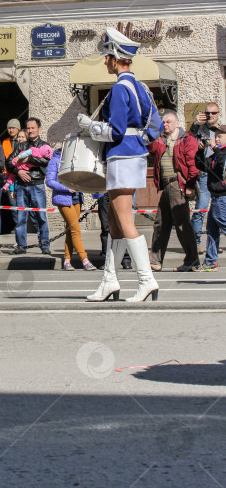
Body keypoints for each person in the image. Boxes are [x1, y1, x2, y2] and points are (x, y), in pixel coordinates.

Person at [78, 27, 163, 302]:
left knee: (124, 218)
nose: (105, 62)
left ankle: (146, 279)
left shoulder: (118, 89)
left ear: (116, 57)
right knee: (114, 219)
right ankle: (110, 281)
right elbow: (157, 126)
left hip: (121, 155)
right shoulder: (142, 88)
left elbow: (114, 131)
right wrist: (139, 139)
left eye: (107, 57)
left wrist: (91, 127)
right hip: (134, 154)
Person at [148, 111, 200, 272]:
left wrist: (190, 186)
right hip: (167, 185)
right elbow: (150, 147)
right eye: (163, 122)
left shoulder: (186, 140)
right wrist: (153, 129)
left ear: (177, 123)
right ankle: (155, 261)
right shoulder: (162, 140)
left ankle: (192, 260)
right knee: (161, 223)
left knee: (182, 224)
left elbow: (193, 165)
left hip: (178, 184)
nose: (165, 124)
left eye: (168, 122)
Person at [6, 117, 52, 255]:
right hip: (21, 185)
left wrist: (29, 159)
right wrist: (18, 171)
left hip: (37, 185)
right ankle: (21, 246)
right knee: (21, 217)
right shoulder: (21, 146)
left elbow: (47, 161)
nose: (31, 131)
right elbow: (8, 162)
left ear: (39, 129)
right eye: (29, 128)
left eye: (33, 128)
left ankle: (44, 245)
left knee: (41, 217)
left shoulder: (44, 145)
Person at [46, 147, 96, 270]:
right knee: (75, 228)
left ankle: (67, 261)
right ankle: (84, 260)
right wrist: (66, 188)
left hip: (77, 197)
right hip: (64, 198)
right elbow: (50, 181)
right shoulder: (55, 160)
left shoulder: (75, 159)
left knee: (70, 230)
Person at [189, 103, 221, 254]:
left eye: (213, 113)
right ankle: (195, 243)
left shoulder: (222, 130)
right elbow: (187, 140)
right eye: (207, 113)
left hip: (220, 173)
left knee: (219, 209)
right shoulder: (200, 129)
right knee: (201, 208)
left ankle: (214, 244)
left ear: (218, 114)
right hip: (205, 172)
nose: (210, 116)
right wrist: (194, 124)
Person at [195, 124, 226, 271]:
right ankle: (210, 261)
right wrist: (200, 151)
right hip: (215, 197)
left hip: (223, 197)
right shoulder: (216, 154)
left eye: (219, 136)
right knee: (212, 230)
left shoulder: (222, 154)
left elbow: (221, 166)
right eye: (215, 136)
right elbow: (201, 165)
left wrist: (216, 148)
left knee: (223, 224)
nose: (216, 139)